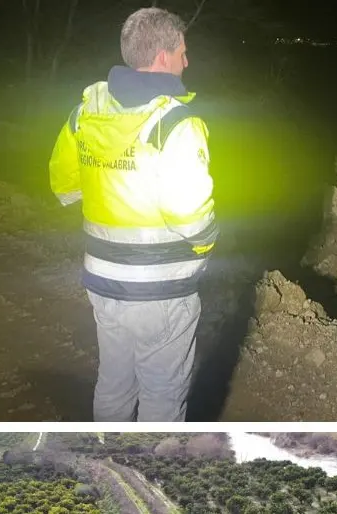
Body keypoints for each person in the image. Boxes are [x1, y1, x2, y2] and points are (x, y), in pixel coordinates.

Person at [48, 7, 217, 422]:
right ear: (163, 57)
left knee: (114, 381)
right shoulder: (176, 121)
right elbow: (191, 216)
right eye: (182, 51)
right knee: (162, 393)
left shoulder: (85, 112)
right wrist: (207, 242)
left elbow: (63, 186)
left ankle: (106, 453)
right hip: (161, 292)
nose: (186, 61)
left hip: (103, 281)